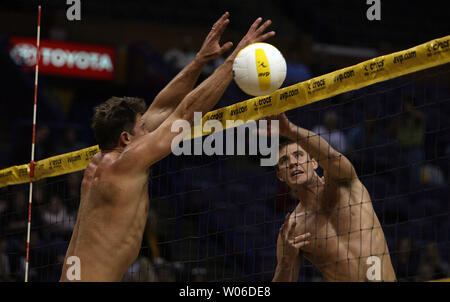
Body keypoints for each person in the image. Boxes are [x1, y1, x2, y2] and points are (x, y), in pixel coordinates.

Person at [60, 13, 275, 282]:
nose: (148, 129)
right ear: (126, 139)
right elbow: (185, 114)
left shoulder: (106, 160)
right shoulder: (124, 164)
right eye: (143, 128)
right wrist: (234, 62)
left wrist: (200, 61)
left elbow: (162, 107)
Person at [264, 113, 396, 281]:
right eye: (284, 160)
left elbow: (331, 156)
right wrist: (286, 262)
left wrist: (290, 130)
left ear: (314, 162)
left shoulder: (344, 182)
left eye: (298, 155)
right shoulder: (293, 228)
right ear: (280, 176)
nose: (292, 162)